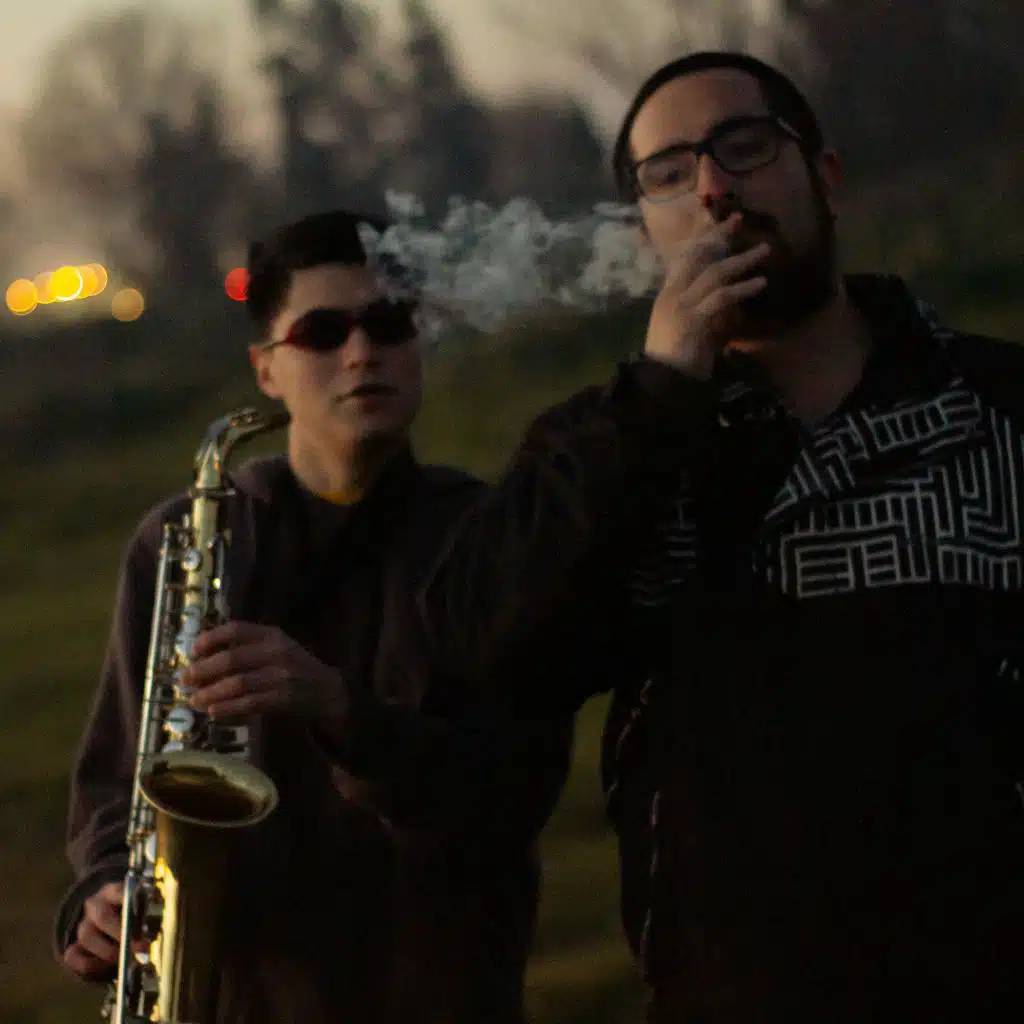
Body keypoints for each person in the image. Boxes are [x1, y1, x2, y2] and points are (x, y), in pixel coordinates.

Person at [418, 51, 1024, 1023]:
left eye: (743, 145)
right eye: (667, 174)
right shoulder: (608, 449)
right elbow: (470, 653)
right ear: (644, 232)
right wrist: (661, 392)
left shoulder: (995, 407)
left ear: (824, 177)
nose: (712, 188)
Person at [55, 209, 572, 1024]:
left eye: (389, 324)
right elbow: (118, 782)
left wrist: (338, 709)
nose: (361, 352)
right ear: (266, 369)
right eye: (322, 333)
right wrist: (101, 896)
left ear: (419, 343)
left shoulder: (488, 536)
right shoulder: (183, 539)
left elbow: (510, 795)